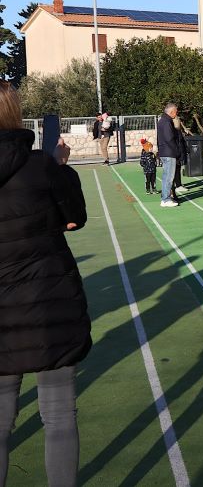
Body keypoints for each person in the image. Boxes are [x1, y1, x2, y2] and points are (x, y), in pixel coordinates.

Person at [0, 81, 91, 486]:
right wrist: (61, 168)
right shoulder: (40, 166)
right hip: (49, 303)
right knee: (58, 417)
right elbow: (73, 218)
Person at [156, 103, 180, 207]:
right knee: (169, 177)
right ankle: (166, 199)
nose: (177, 113)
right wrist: (176, 151)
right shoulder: (166, 122)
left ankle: (165, 198)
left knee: (166, 176)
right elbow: (169, 138)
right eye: (176, 111)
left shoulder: (163, 120)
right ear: (171, 112)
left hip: (165, 151)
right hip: (169, 152)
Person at [171, 114, 189, 197]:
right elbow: (177, 142)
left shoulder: (178, 130)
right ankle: (176, 187)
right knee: (174, 171)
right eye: (179, 121)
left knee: (177, 169)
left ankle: (178, 185)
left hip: (178, 153)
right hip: (175, 154)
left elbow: (181, 141)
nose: (180, 122)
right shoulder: (173, 130)